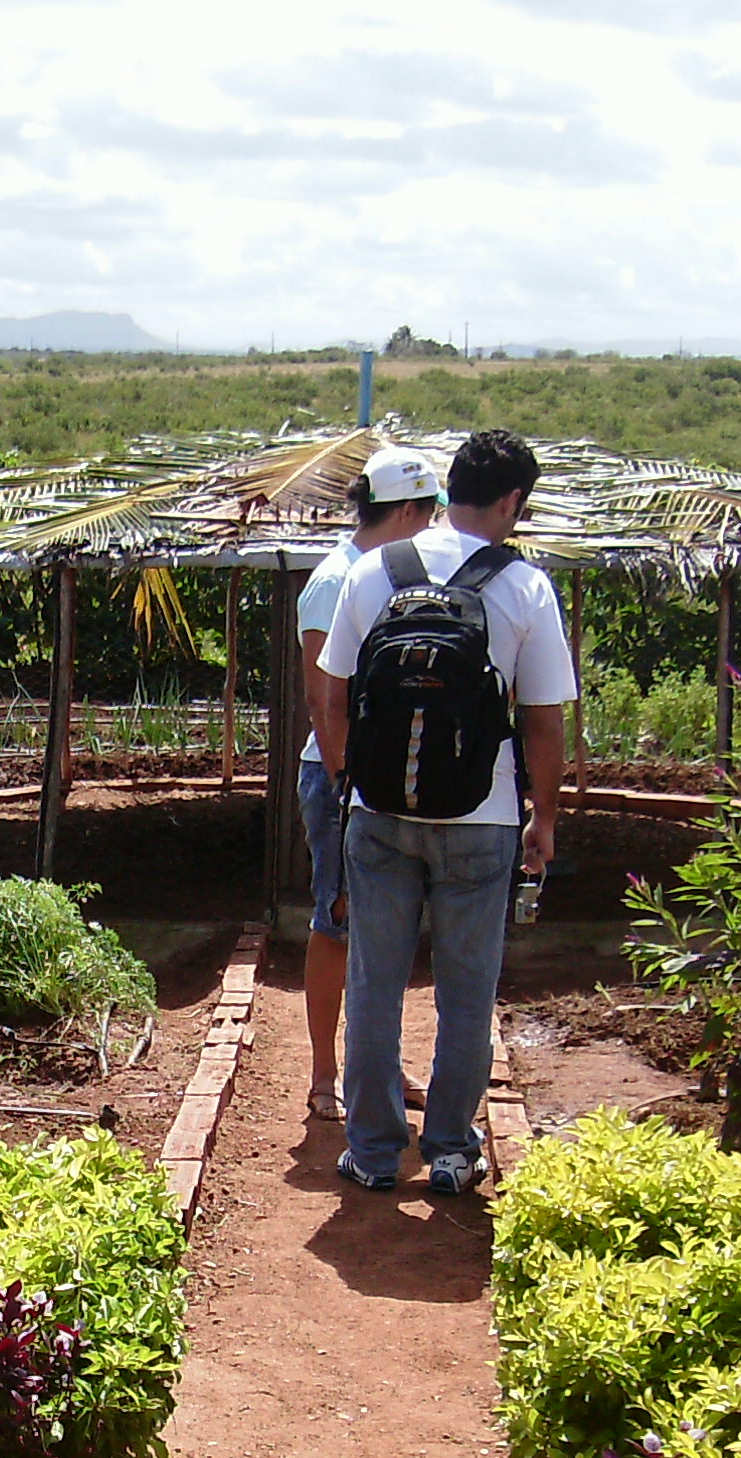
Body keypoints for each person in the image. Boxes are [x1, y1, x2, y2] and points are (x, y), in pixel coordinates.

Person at [314, 428, 571, 1194]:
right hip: (482, 817)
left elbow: (331, 694)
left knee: (375, 981)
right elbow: (545, 719)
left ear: (448, 488)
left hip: (380, 812)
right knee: (466, 992)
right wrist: (544, 817)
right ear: (514, 502)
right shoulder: (525, 587)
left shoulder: (373, 572)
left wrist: (346, 782)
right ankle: (453, 1151)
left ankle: (371, 1150)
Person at [295, 445, 442, 1121]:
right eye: (430, 513)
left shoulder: (387, 573)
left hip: (385, 778)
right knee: (337, 919)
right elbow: (325, 704)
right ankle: (325, 1076)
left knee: (388, 925)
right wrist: (347, 783)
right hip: (342, 779)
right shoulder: (337, 580)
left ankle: (380, 1069)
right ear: (408, 510)